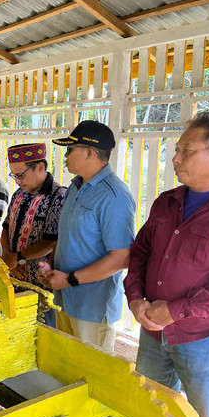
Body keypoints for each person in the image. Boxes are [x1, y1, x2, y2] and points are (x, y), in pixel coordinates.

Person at [124, 112, 209, 417]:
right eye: (176, 149)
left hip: (207, 339)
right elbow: (140, 253)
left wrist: (176, 312)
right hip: (153, 329)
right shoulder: (166, 202)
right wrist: (135, 298)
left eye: (186, 150)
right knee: (151, 410)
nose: (175, 158)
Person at [39, 120, 136, 352]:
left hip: (92, 307)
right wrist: (51, 264)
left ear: (90, 153)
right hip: (66, 299)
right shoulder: (75, 187)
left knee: (92, 373)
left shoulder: (115, 196)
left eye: (71, 149)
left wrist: (69, 279)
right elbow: (68, 236)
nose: (66, 155)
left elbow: (122, 258)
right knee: (68, 365)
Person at [1, 143, 66, 327]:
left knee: (44, 332)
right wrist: (8, 257)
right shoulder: (18, 195)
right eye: (14, 176)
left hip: (41, 282)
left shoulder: (58, 196)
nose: (18, 181)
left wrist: (18, 257)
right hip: (15, 276)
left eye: (21, 175)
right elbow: (6, 227)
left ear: (40, 167)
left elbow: (52, 242)